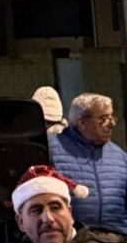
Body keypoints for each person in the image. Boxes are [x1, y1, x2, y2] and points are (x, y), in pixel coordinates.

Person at [49, 93, 127, 233]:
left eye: (111, 118)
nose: (111, 124)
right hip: (74, 238)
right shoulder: (52, 150)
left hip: (118, 236)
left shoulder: (120, 156)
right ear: (81, 122)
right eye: (103, 119)